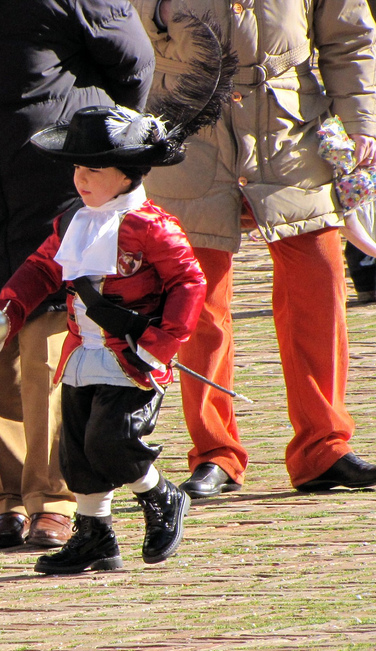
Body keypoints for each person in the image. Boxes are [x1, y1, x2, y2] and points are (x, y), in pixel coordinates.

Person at [0, 0, 156, 549]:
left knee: (54, 350)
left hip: (57, 192)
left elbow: (134, 66)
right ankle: (11, 500)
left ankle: (55, 499)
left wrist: (98, 152)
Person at [131, 0, 376, 496]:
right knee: (196, 301)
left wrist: (362, 121)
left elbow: (350, 37)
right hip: (188, 128)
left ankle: (323, 446)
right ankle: (214, 451)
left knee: (319, 289)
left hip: (290, 131)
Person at [0, 105, 206, 573]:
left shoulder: (153, 227)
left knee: (112, 440)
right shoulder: (71, 223)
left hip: (132, 357)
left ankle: (160, 494)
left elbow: (189, 283)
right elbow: (41, 269)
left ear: (126, 175)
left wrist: (159, 343)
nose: (80, 178)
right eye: (77, 167)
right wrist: (8, 309)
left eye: (94, 169)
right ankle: (96, 536)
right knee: (77, 451)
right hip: (82, 354)